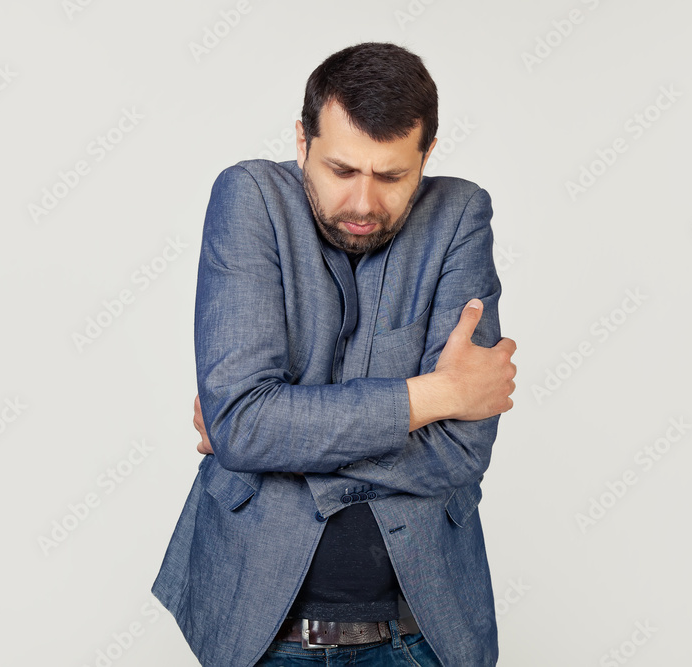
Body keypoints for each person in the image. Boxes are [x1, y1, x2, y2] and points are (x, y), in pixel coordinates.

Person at [152, 41, 517, 666]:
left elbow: (462, 448)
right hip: (260, 626)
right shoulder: (249, 199)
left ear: (426, 155)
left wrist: (277, 438)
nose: (363, 204)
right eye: (342, 171)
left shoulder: (460, 215)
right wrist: (434, 396)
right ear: (302, 143)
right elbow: (243, 423)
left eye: (392, 176)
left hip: (422, 632)